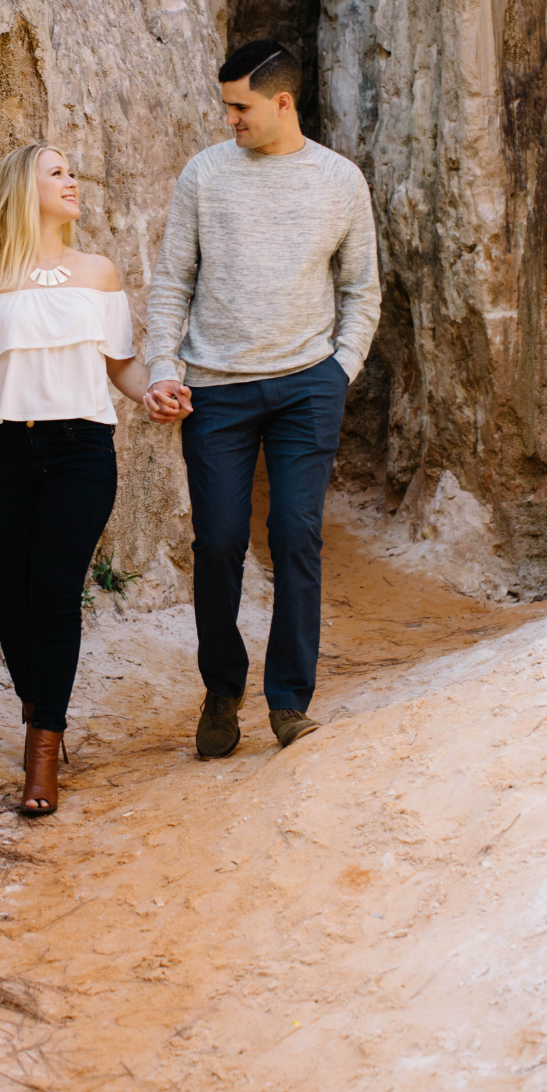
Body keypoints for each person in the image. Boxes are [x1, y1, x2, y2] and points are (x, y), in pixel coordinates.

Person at [141, 39, 380, 761]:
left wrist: (341, 369)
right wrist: (162, 367)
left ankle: (288, 702)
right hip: (215, 389)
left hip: (309, 382)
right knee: (217, 544)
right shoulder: (205, 176)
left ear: (282, 103)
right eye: (225, 106)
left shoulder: (339, 180)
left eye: (240, 106)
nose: (229, 120)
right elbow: (172, 280)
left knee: (296, 535)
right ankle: (222, 689)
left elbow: (361, 288)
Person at [0, 144, 154, 816]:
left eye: (72, 171)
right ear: (23, 188)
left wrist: (158, 394)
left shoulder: (99, 273)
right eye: (57, 172)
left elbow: (122, 366)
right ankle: (40, 703)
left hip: (81, 447)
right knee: (13, 601)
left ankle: (41, 759)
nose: (72, 181)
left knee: (55, 595)